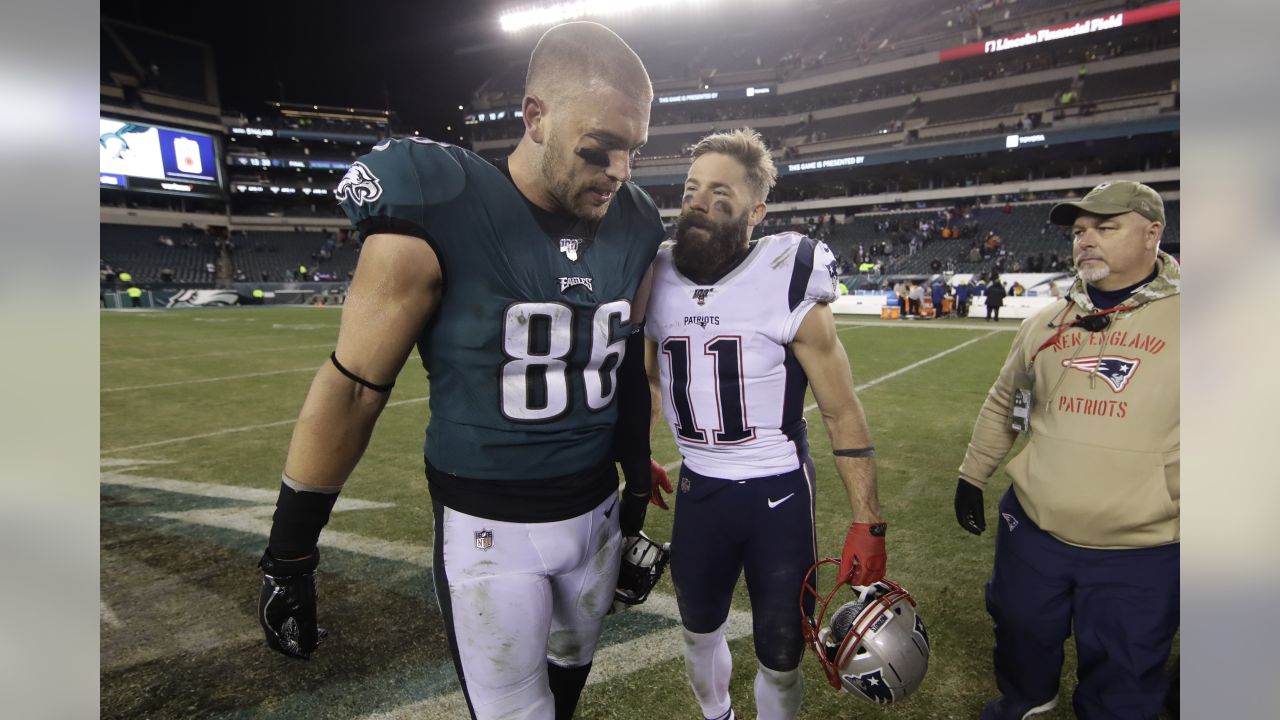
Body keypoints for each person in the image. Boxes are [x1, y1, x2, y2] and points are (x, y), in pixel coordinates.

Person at [254, 22, 668, 720]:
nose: (620, 170)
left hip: (596, 520)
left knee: (565, 695)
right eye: (599, 148)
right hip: (489, 533)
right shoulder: (441, 199)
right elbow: (354, 389)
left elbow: (627, 370)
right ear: (535, 117)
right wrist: (289, 554)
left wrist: (629, 510)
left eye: (635, 149)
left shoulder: (637, 220)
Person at [645, 129, 887, 720]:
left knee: (783, 651)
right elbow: (651, 379)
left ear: (756, 212)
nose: (699, 203)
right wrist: (635, 452)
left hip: (776, 492)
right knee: (697, 631)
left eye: (720, 194)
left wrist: (867, 520)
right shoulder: (655, 272)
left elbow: (840, 407)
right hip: (700, 489)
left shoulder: (787, 271)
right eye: (691, 189)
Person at [952, 181, 1179, 719]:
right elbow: (1010, 403)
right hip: (1035, 531)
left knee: (1125, 673)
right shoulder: (1045, 322)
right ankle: (1028, 697)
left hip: (1142, 545)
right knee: (1020, 631)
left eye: (1106, 226)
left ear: (1153, 234)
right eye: (1079, 231)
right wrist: (972, 474)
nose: (1087, 241)